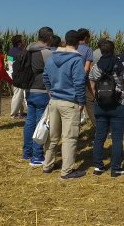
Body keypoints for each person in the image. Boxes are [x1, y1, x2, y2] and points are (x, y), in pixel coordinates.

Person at [42, 30, 87, 180]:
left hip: (54, 101)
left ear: (65, 41)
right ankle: (66, 171)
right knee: (69, 138)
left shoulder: (51, 57)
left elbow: (45, 76)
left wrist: (50, 92)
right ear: (78, 43)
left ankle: (47, 165)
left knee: (52, 136)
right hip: (70, 102)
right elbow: (79, 82)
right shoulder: (76, 60)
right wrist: (82, 101)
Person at [90, 40, 124, 177]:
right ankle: (115, 169)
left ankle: (98, 167)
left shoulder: (95, 67)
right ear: (113, 50)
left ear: (101, 51)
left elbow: (91, 85)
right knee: (117, 137)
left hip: (101, 105)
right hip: (118, 104)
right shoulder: (121, 65)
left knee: (99, 136)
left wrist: (97, 97)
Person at [23, 27, 53, 166]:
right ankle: (37, 156)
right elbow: (52, 71)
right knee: (40, 123)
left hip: (29, 89)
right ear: (50, 38)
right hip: (42, 90)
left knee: (30, 121)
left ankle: (27, 152)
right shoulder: (46, 53)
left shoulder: (28, 50)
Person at [77, 28, 95, 127]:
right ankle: (99, 128)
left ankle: (75, 130)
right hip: (83, 81)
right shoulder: (88, 49)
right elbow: (87, 68)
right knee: (90, 104)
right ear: (85, 37)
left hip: (71, 81)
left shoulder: (73, 48)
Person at [7, 35, 26, 119]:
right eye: (23, 40)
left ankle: (20, 112)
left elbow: (10, 63)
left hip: (11, 74)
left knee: (18, 94)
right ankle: (14, 114)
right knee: (18, 95)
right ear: (19, 43)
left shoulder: (10, 51)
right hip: (18, 76)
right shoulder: (20, 53)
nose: (24, 41)